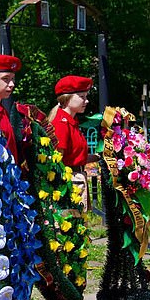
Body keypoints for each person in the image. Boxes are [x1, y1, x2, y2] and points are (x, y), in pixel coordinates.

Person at [48, 75, 95, 211]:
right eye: (81, 96)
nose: (86, 101)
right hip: (69, 183)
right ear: (67, 98)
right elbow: (58, 161)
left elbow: (74, 157)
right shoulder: (61, 124)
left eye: (86, 96)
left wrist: (99, 157)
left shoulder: (71, 122)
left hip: (76, 179)